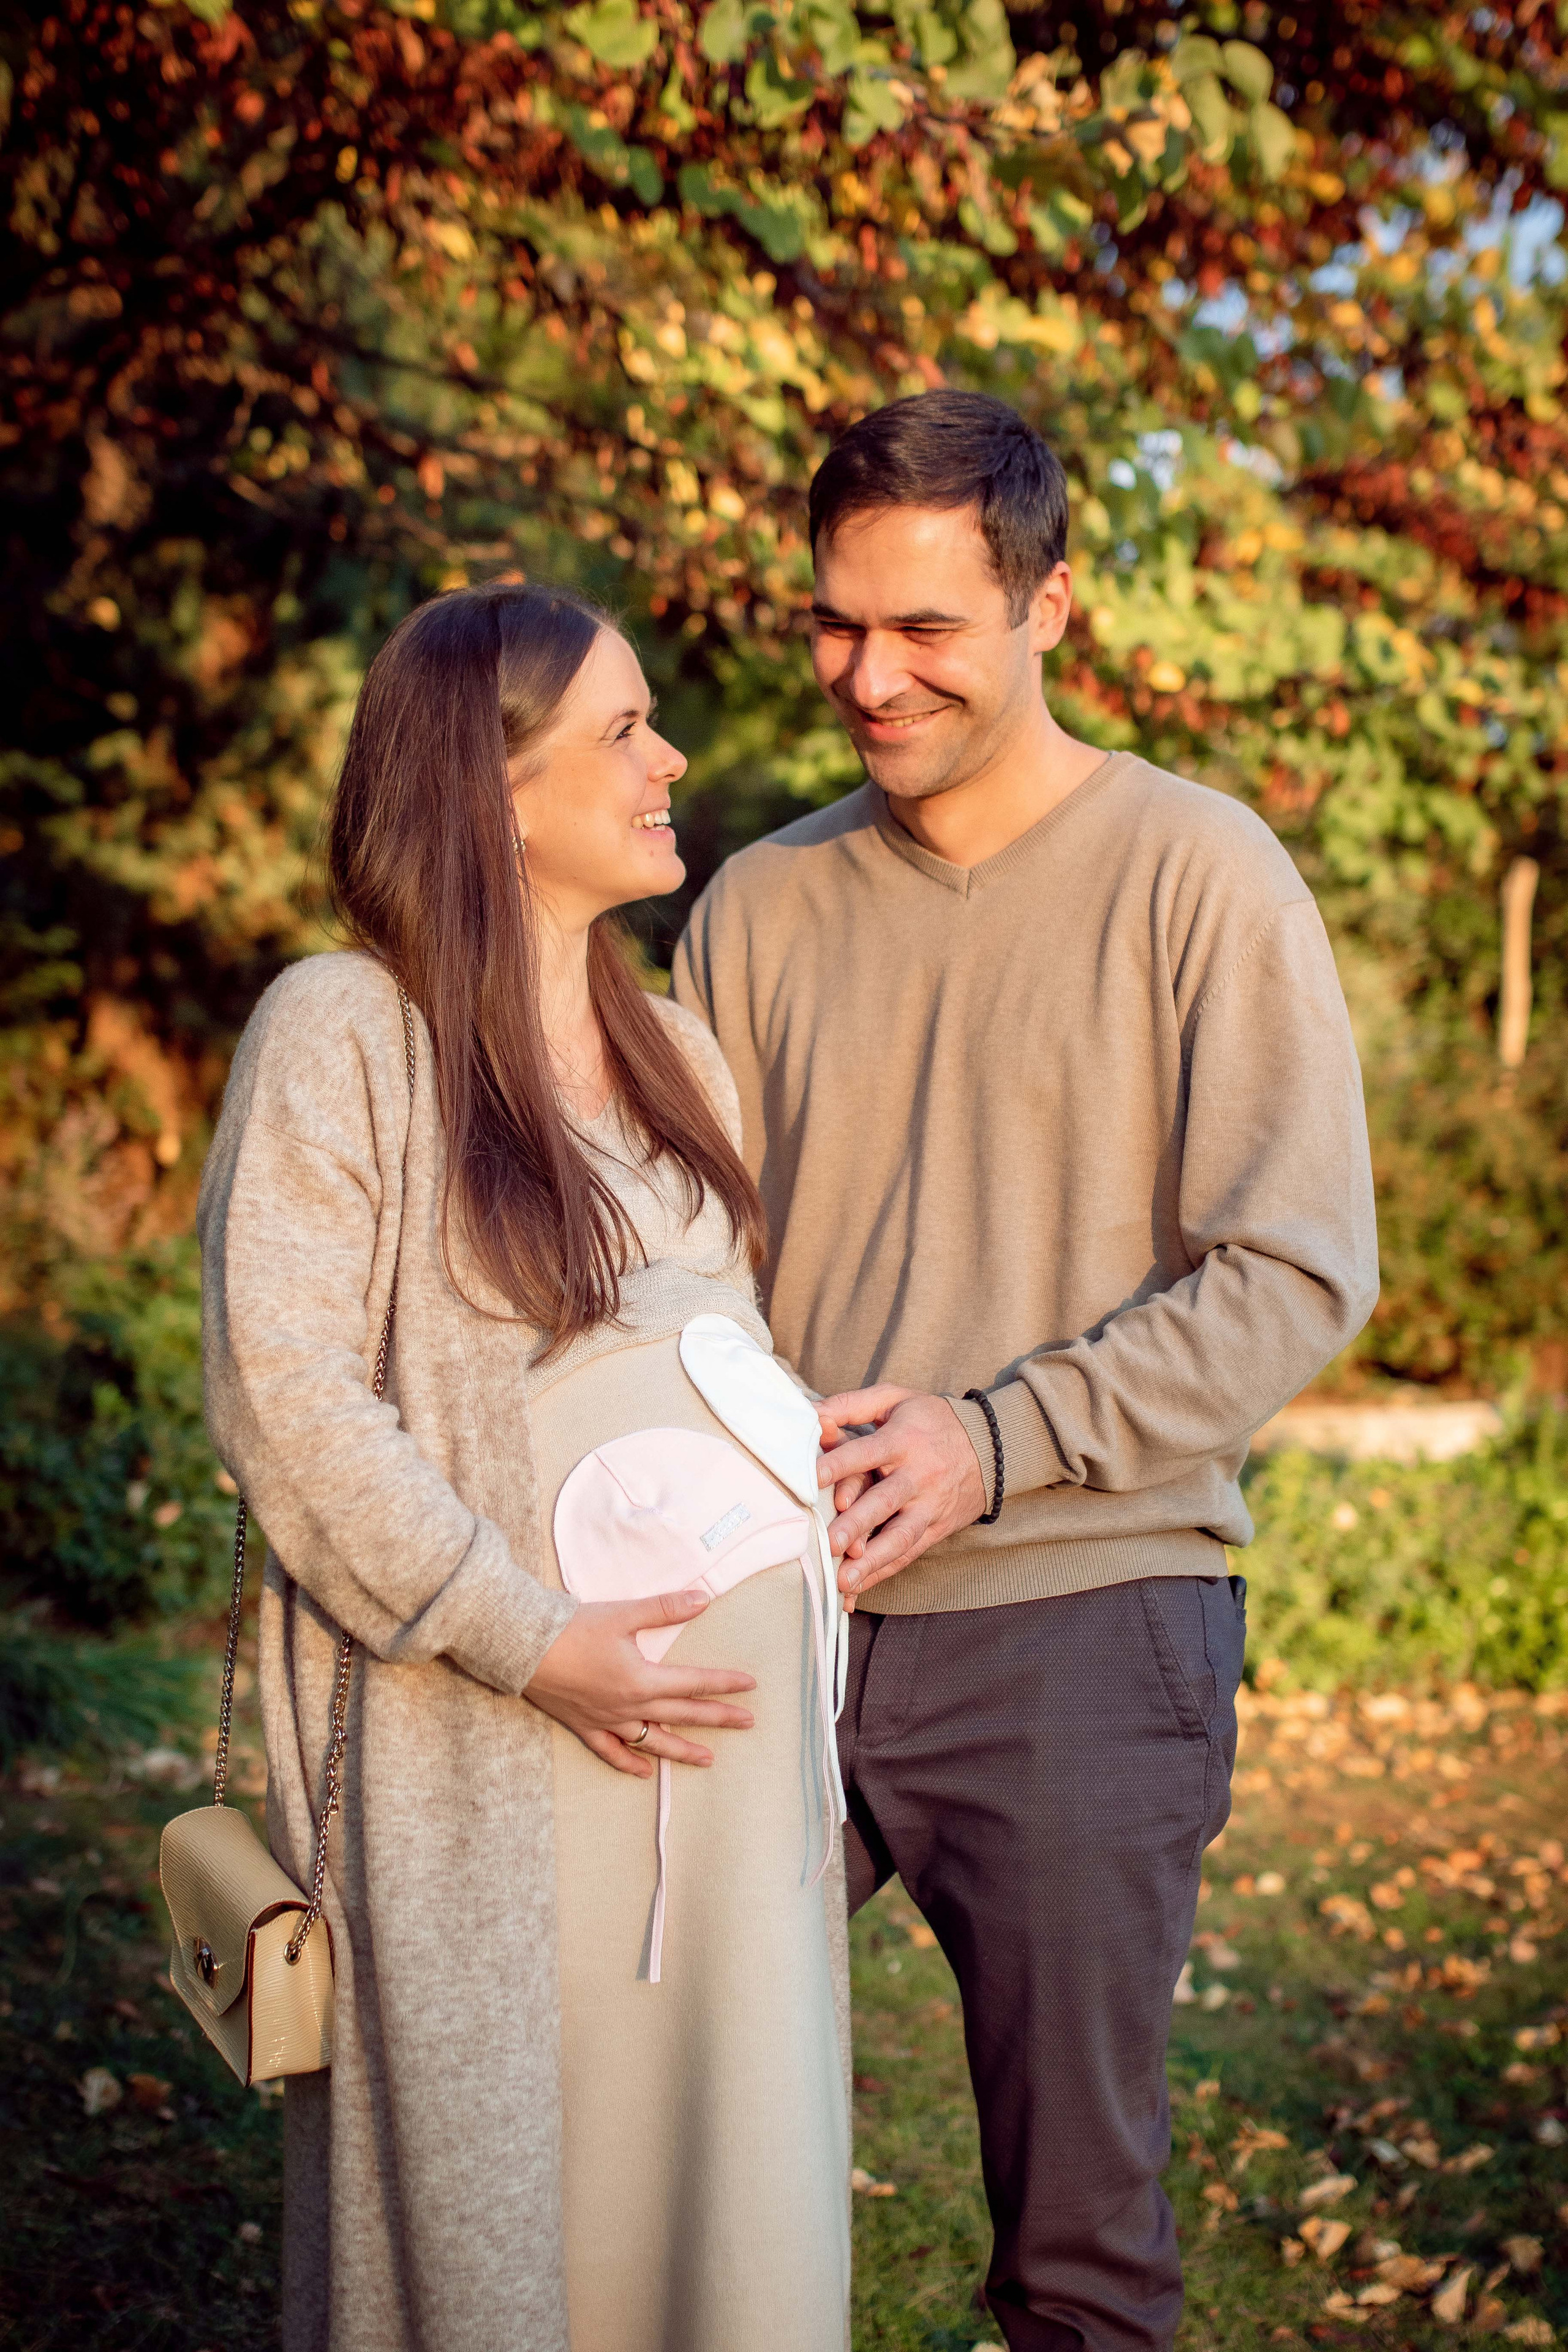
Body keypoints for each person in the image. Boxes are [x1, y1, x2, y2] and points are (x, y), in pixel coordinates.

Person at [673, 390, 1379, 2352]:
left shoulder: (1199, 873)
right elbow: (682, 1281)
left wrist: (1000, 1441)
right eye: (835, 625)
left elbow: (1300, 1267)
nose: (868, 678)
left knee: (1075, 2248)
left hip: (1088, 1611)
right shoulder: (753, 908)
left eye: (925, 632)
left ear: (1051, 604)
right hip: (784, 1614)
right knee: (650, 2136)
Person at [197, 582, 850, 2352]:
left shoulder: (682, 1056)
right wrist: (530, 1635)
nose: (673, 760)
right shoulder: (349, 1034)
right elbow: (290, 1394)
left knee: (723, 2221)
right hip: (491, 1755)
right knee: (511, 2249)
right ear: (491, 793)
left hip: (722, 1796)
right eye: (626, 730)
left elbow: (724, 1359)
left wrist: (809, 1466)